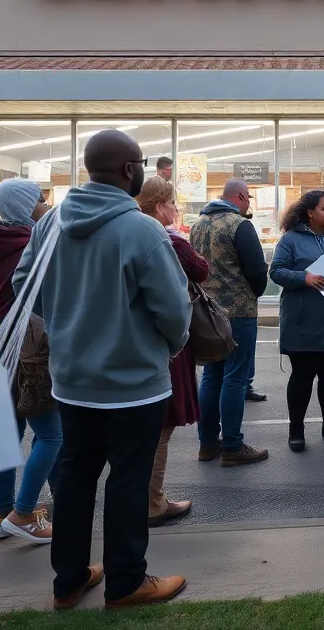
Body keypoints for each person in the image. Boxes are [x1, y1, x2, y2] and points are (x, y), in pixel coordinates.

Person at [14, 129, 192, 610]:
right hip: (134, 385)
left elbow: (22, 282)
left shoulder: (51, 222)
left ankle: (68, 581)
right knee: (128, 482)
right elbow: (175, 313)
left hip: (72, 381)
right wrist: (168, 348)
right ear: (130, 170)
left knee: (73, 479)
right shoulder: (143, 230)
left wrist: (68, 324)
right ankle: (126, 582)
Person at [0, 178, 61, 545]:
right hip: (29, 352)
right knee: (51, 434)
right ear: (29, 207)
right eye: (41, 200)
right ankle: (24, 512)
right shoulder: (35, 246)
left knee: (4, 435)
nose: (45, 206)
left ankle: (0, 514)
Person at [136, 176, 205, 527]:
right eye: (174, 203)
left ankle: (142, 499)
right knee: (160, 427)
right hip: (164, 345)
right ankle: (152, 502)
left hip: (128, 343)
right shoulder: (167, 241)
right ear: (161, 206)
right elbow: (200, 271)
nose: (177, 210)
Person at [189, 178, 270, 466]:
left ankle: (207, 444)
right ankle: (233, 446)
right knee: (236, 378)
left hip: (208, 312)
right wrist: (254, 293)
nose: (249, 203)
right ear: (239, 196)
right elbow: (258, 270)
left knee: (211, 377)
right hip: (238, 312)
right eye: (248, 198)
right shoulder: (239, 225)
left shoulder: (198, 225)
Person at [269, 189, 324, 452]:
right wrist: (303, 278)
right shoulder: (291, 240)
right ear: (310, 212)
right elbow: (276, 271)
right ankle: (296, 429)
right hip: (303, 319)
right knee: (302, 376)